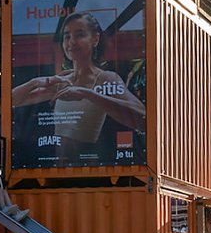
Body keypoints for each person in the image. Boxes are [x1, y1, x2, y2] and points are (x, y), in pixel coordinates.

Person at [9, 9, 147, 166]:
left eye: (80, 35)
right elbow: (12, 100)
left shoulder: (105, 78)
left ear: (95, 39)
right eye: (67, 36)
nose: (72, 42)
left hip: (90, 167)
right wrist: (34, 82)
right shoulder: (62, 80)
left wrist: (88, 94)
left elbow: (142, 118)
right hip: (60, 169)